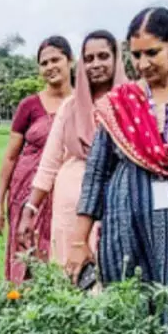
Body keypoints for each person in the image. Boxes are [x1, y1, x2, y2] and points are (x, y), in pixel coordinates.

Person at [67, 8, 168, 318]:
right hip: (125, 228)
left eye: (152, 53)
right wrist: (78, 241)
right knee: (129, 314)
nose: (142, 64)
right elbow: (96, 174)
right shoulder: (120, 103)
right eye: (136, 55)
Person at [19, 31, 129, 271]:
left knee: (116, 275)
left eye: (103, 56)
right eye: (89, 59)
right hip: (70, 207)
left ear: (117, 58)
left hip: (118, 203)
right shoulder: (70, 107)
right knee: (71, 275)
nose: (96, 64)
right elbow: (49, 163)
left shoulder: (132, 104)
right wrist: (30, 209)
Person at [0, 36, 74, 283]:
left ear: (70, 61)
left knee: (61, 253)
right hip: (25, 195)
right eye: (44, 63)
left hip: (65, 194)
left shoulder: (82, 103)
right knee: (24, 254)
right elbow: (10, 157)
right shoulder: (29, 106)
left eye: (55, 60)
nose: (50, 67)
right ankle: (20, 302)